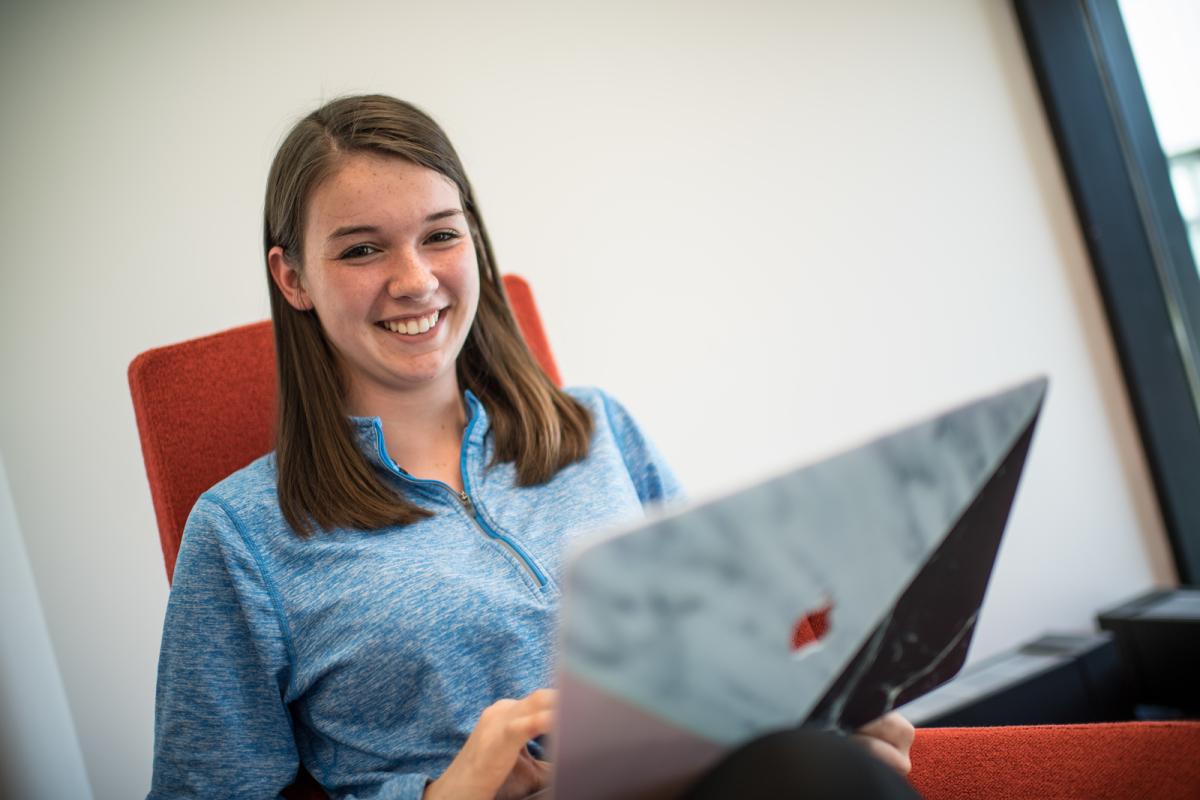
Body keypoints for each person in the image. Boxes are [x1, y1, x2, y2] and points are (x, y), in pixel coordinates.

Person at [148, 94, 918, 800]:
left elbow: (730, 642)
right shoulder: (243, 534)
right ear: (293, 279)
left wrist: (823, 717)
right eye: (361, 250)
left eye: (440, 235)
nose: (415, 280)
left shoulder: (596, 427)